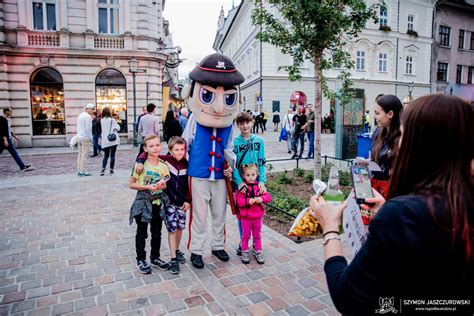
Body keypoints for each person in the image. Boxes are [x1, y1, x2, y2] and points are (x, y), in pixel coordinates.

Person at [310, 94, 474, 315]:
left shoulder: (403, 215)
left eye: (405, 134)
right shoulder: (460, 202)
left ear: (420, 144)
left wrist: (330, 227)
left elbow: (347, 298)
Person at [182, 53, 243, 269]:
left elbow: (229, 149)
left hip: (219, 175)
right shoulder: (195, 121)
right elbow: (185, 144)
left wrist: (230, 167)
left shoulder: (229, 125)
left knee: (219, 212)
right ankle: (196, 250)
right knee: (199, 215)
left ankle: (218, 246)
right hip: (198, 174)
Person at [135, 136, 191, 274]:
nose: (179, 152)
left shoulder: (187, 164)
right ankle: (172, 258)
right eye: (176, 149)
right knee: (170, 229)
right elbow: (149, 152)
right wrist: (140, 161)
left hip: (181, 203)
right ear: (170, 151)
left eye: (182, 149)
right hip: (167, 202)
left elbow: (190, 184)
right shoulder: (165, 161)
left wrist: (188, 200)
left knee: (178, 229)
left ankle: (174, 251)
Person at [129, 134, 171, 274]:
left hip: (157, 202)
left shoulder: (163, 166)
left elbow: (165, 185)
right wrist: (148, 187)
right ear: (145, 148)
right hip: (142, 202)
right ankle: (140, 259)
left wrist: (160, 186)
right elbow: (132, 184)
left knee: (157, 232)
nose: (155, 148)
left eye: (157, 145)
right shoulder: (140, 166)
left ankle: (155, 257)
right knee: (142, 232)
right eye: (151, 146)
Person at [232, 112, 267, 256]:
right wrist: (239, 182)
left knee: (256, 210)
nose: (245, 125)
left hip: (255, 182)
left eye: (247, 122)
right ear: (238, 125)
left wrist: (262, 181)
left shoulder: (259, 141)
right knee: (242, 213)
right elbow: (232, 165)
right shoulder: (234, 142)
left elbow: (262, 162)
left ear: (252, 123)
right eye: (241, 123)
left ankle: (256, 242)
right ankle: (243, 241)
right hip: (241, 184)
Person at [235, 164, 272, 265]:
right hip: (246, 218)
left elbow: (268, 197)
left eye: (253, 174)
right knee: (245, 235)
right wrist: (248, 201)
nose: (250, 177)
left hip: (257, 218)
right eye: (248, 175)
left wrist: (261, 199)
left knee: (257, 235)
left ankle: (258, 251)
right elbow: (238, 201)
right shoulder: (242, 188)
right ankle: (245, 251)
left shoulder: (259, 187)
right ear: (243, 176)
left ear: (257, 175)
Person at [370, 95, 403, 198]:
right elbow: (373, 159)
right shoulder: (377, 133)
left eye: (377, 113)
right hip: (374, 188)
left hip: (393, 191)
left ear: (390, 114)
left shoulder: (403, 137)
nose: (374, 117)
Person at [0, 107, 32, 172]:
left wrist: (15, 136)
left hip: (8, 139)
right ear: (6, 112)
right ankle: (22, 166)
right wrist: (5, 140)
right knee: (14, 153)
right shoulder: (2, 119)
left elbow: (8, 130)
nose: (11, 113)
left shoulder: (8, 119)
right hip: (3, 140)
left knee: (15, 153)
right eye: (10, 111)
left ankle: (22, 166)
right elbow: (2, 130)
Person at [99, 107, 120, 176]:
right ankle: (111, 170)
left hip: (105, 140)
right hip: (113, 139)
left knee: (106, 156)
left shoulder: (101, 120)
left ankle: (102, 169)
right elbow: (118, 128)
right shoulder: (112, 120)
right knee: (112, 156)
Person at [76, 103, 95, 176]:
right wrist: (90, 138)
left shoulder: (80, 115)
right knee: (84, 155)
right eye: (92, 109)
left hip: (80, 137)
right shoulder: (87, 117)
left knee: (80, 155)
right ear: (88, 109)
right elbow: (88, 129)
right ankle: (82, 171)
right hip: (85, 138)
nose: (93, 111)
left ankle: (79, 170)